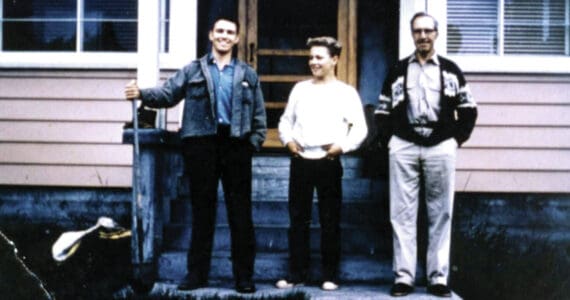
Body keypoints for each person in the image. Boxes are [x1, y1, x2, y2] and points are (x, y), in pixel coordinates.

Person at [124, 16, 266, 294]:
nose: (225, 36)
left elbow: (259, 115)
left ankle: (244, 277)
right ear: (211, 35)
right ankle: (196, 274)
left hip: (236, 145)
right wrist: (140, 93)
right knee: (203, 212)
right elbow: (167, 94)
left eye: (230, 32)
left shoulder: (247, 74)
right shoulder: (192, 70)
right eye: (220, 31)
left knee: (241, 214)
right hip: (201, 146)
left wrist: (253, 143)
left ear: (237, 39)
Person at [375, 12, 477, 297]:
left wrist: (455, 139)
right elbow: (382, 111)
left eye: (427, 31)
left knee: (440, 211)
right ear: (412, 34)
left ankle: (438, 278)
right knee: (402, 213)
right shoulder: (398, 70)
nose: (423, 36)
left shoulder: (450, 70)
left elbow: (469, 109)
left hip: (441, 144)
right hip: (404, 146)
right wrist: (391, 140)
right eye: (417, 31)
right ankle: (404, 278)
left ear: (436, 34)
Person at [276, 36, 368, 291]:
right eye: (311, 57)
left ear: (334, 59)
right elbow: (285, 121)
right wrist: (289, 142)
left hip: (329, 161)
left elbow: (360, 128)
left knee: (330, 219)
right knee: (298, 219)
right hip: (301, 161)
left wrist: (342, 147)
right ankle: (296, 273)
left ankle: (330, 274)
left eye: (319, 57)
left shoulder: (346, 93)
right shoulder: (300, 89)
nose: (313, 62)